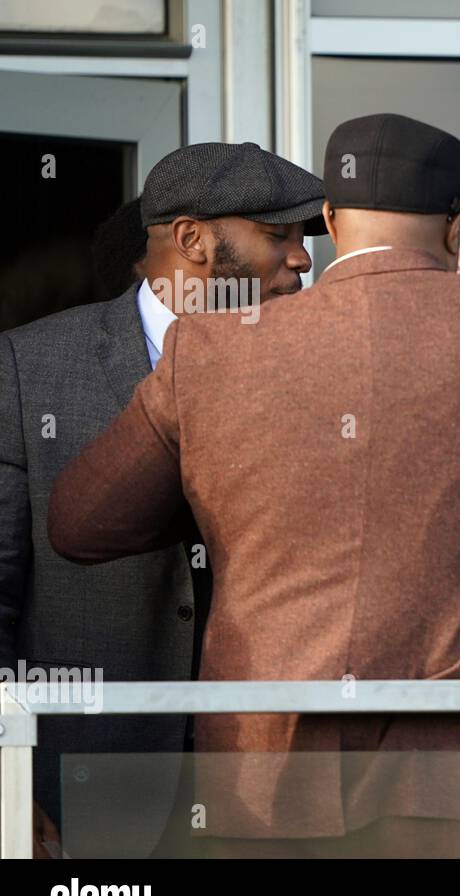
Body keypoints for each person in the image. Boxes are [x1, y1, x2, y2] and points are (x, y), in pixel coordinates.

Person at [46, 114, 460, 857]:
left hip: (266, 785)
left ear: (329, 219)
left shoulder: (212, 349)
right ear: (457, 224)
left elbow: (81, 523)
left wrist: (227, 504)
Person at [0, 141, 324, 858]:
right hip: (84, 793)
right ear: (191, 239)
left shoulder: (321, 374)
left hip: (273, 800)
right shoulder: (28, 369)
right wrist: (4, 782)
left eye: (304, 238)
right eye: (279, 234)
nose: (302, 258)